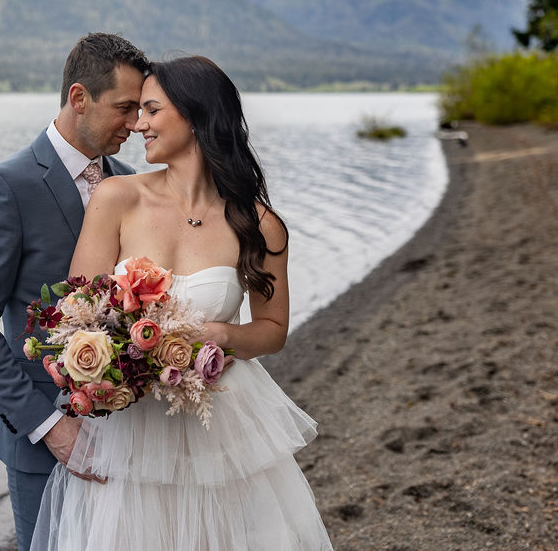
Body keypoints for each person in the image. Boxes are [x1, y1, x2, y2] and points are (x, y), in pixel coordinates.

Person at [30, 56, 333, 549]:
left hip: (224, 425)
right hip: (133, 431)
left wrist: (222, 337)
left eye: (151, 110)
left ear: (195, 117)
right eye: (137, 111)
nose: (138, 124)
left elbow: (273, 329)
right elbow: (76, 316)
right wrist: (111, 361)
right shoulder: (116, 198)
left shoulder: (259, 224)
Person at [0, 32, 150, 551]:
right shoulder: (5, 185)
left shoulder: (131, 184)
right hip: (45, 448)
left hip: (132, 438)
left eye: (141, 109)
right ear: (79, 98)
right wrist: (51, 428)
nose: (136, 123)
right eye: (124, 108)